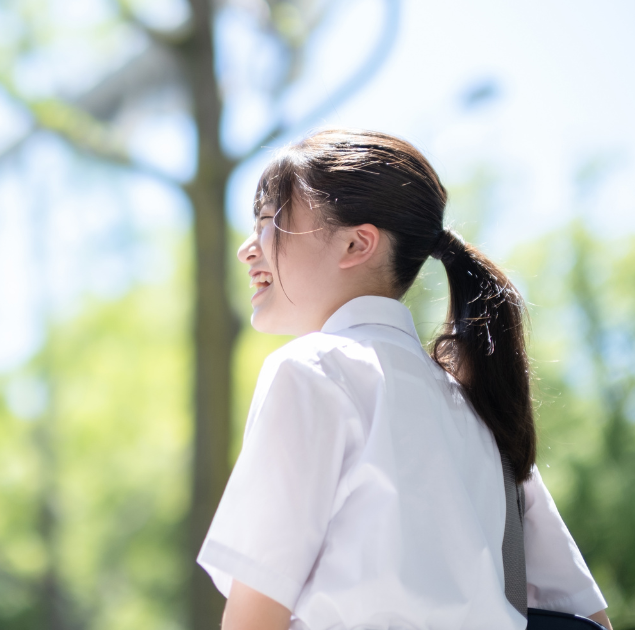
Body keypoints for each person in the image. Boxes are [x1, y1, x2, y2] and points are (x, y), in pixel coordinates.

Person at [197, 129, 611, 630]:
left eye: (269, 221)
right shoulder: (484, 409)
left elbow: (254, 614)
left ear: (356, 242)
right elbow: (587, 617)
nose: (248, 248)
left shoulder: (312, 371)